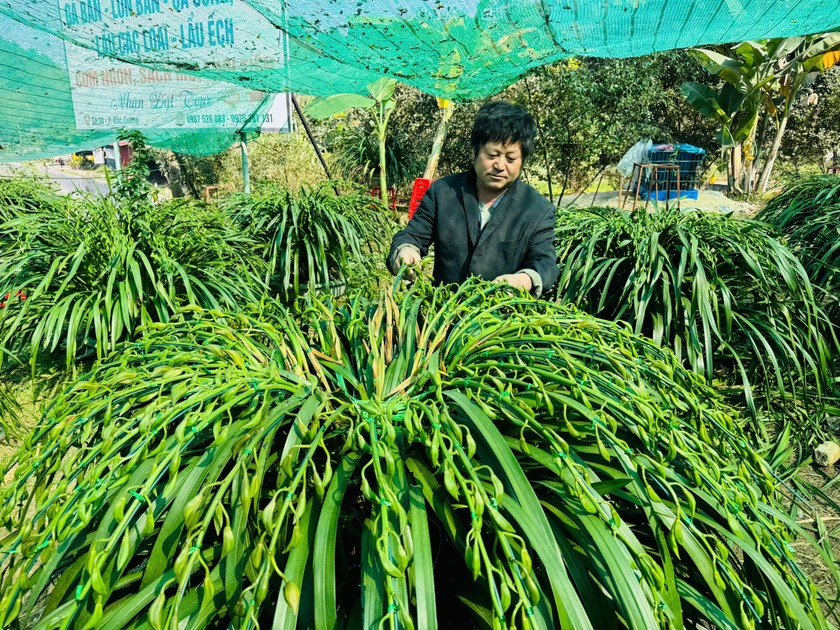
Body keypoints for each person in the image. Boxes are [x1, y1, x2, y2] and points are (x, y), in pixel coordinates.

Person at [387, 101, 558, 297]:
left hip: (503, 320)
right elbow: (412, 236)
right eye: (492, 155)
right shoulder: (443, 192)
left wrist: (523, 280)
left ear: (522, 161)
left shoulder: (537, 209)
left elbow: (545, 264)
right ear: (474, 152)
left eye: (511, 159)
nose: (500, 165)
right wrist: (405, 252)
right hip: (444, 315)